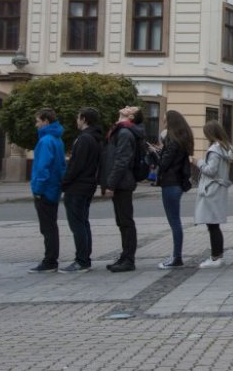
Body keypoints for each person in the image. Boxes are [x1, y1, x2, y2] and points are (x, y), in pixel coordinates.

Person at [101, 105, 145, 273]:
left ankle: (128, 259)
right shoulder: (120, 130)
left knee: (126, 222)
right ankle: (125, 256)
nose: (126, 107)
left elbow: (121, 160)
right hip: (120, 181)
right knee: (122, 221)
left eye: (131, 108)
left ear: (132, 117)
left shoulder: (125, 133)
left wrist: (110, 183)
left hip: (123, 182)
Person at [60, 107, 103, 273]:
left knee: (77, 224)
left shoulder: (85, 139)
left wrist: (65, 182)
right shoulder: (95, 137)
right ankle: (85, 258)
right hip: (88, 184)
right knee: (83, 222)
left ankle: (82, 260)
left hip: (78, 186)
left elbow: (76, 164)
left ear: (84, 119)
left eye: (78, 118)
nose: (76, 121)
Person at [28, 109, 66, 273]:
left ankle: (50, 261)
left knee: (47, 227)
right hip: (54, 188)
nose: (36, 125)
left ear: (45, 121)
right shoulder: (57, 139)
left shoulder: (45, 141)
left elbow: (43, 167)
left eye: (37, 121)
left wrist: (38, 189)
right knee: (51, 225)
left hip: (45, 190)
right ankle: (51, 259)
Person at [156, 110, 194, 270]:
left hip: (171, 183)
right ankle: (176, 255)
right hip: (176, 182)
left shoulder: (172, 140)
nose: (163, 122)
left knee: (174, 221)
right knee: (175, 221)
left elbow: (164, 164)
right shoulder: (181, 139)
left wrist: (156, 155)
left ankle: (177, 257)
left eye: (165, 120)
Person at [194, 120, 232, 268]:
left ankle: (216, 257)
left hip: (212, 189)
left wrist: (198, 162)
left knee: (212, 224)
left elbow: (211, 170)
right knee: (214, 224)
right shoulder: (227, 147)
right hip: (219, 189)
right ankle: (217, 255)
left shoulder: (215, 150)